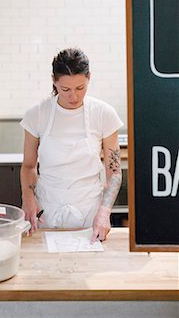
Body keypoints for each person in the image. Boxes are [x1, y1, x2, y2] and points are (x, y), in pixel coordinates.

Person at [20, 47, 123, 243]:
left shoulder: (103, 114)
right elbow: (29, 166)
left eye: (80, 88)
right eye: (65, 89)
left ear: (89, 78)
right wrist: (28, 199)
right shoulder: (37, 114)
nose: (74, 96)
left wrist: (104, 211)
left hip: (90, 214)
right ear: (54, 81)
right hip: (46, 211)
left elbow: (115, 172)